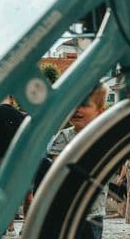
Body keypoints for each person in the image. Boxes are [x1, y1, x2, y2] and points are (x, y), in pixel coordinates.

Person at [47, 84, 110, 239]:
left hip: (92, 211)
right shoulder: (63, 137)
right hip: (66, 210)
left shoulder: (104, 137)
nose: (77, 109)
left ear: (100, 111)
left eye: (84, 105)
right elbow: (57, 170)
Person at [0, 96, 27, 235]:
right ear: (11, 99)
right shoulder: (20, 116)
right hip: (13, 160)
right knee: (7, 194)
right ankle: (9, 227)